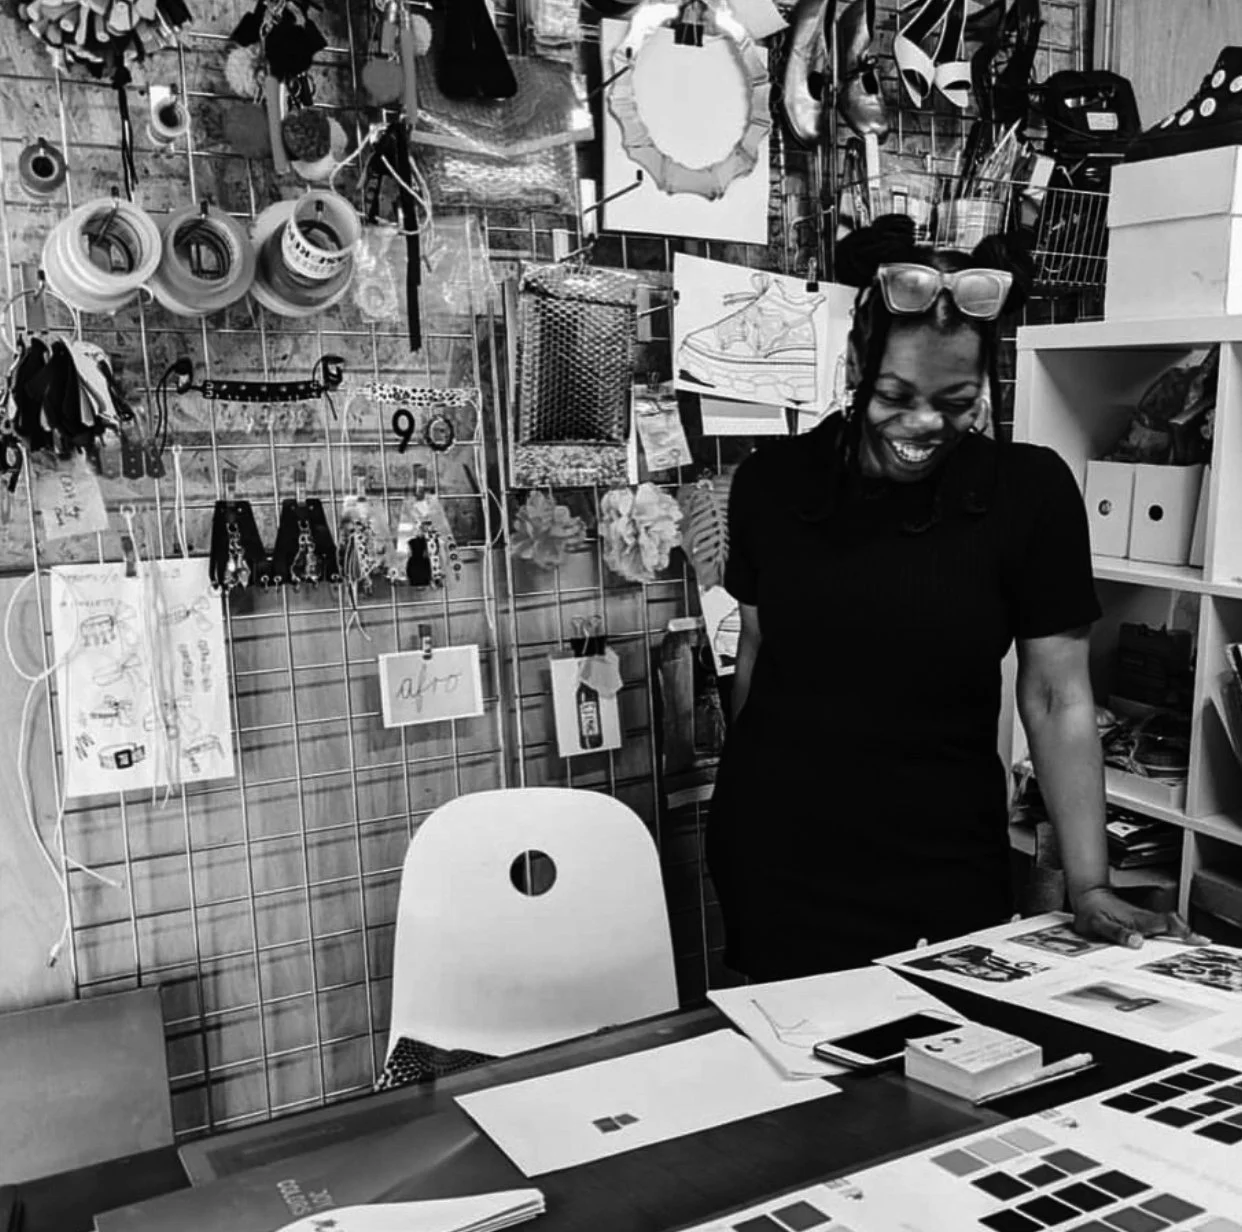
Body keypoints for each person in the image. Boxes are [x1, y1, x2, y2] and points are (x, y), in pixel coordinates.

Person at [707, 215, 1200, 981]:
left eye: (954, 396)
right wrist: (745, 815)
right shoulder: (773, 485)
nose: (923, 421)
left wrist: (1090, 883)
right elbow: (757, 655)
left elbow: (1057, 696)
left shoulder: (1027, 494)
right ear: (857, 362)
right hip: (779, 853)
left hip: (942, 856)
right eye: (896, 392)